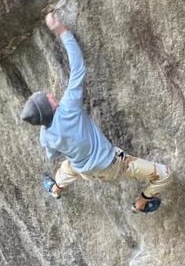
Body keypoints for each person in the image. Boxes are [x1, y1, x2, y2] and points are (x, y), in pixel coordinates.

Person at [20, 12, 171, 213]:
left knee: (68, 167)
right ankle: (140, 203)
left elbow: (52, 154)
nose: (49, 94)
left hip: (85, 171)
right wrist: (61, 30)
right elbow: (78, 68)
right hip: (113, 165)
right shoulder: (68, 108)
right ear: (48, 108)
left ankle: (56, 189)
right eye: (46, 98)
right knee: (164, 175)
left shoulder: (45, 136)